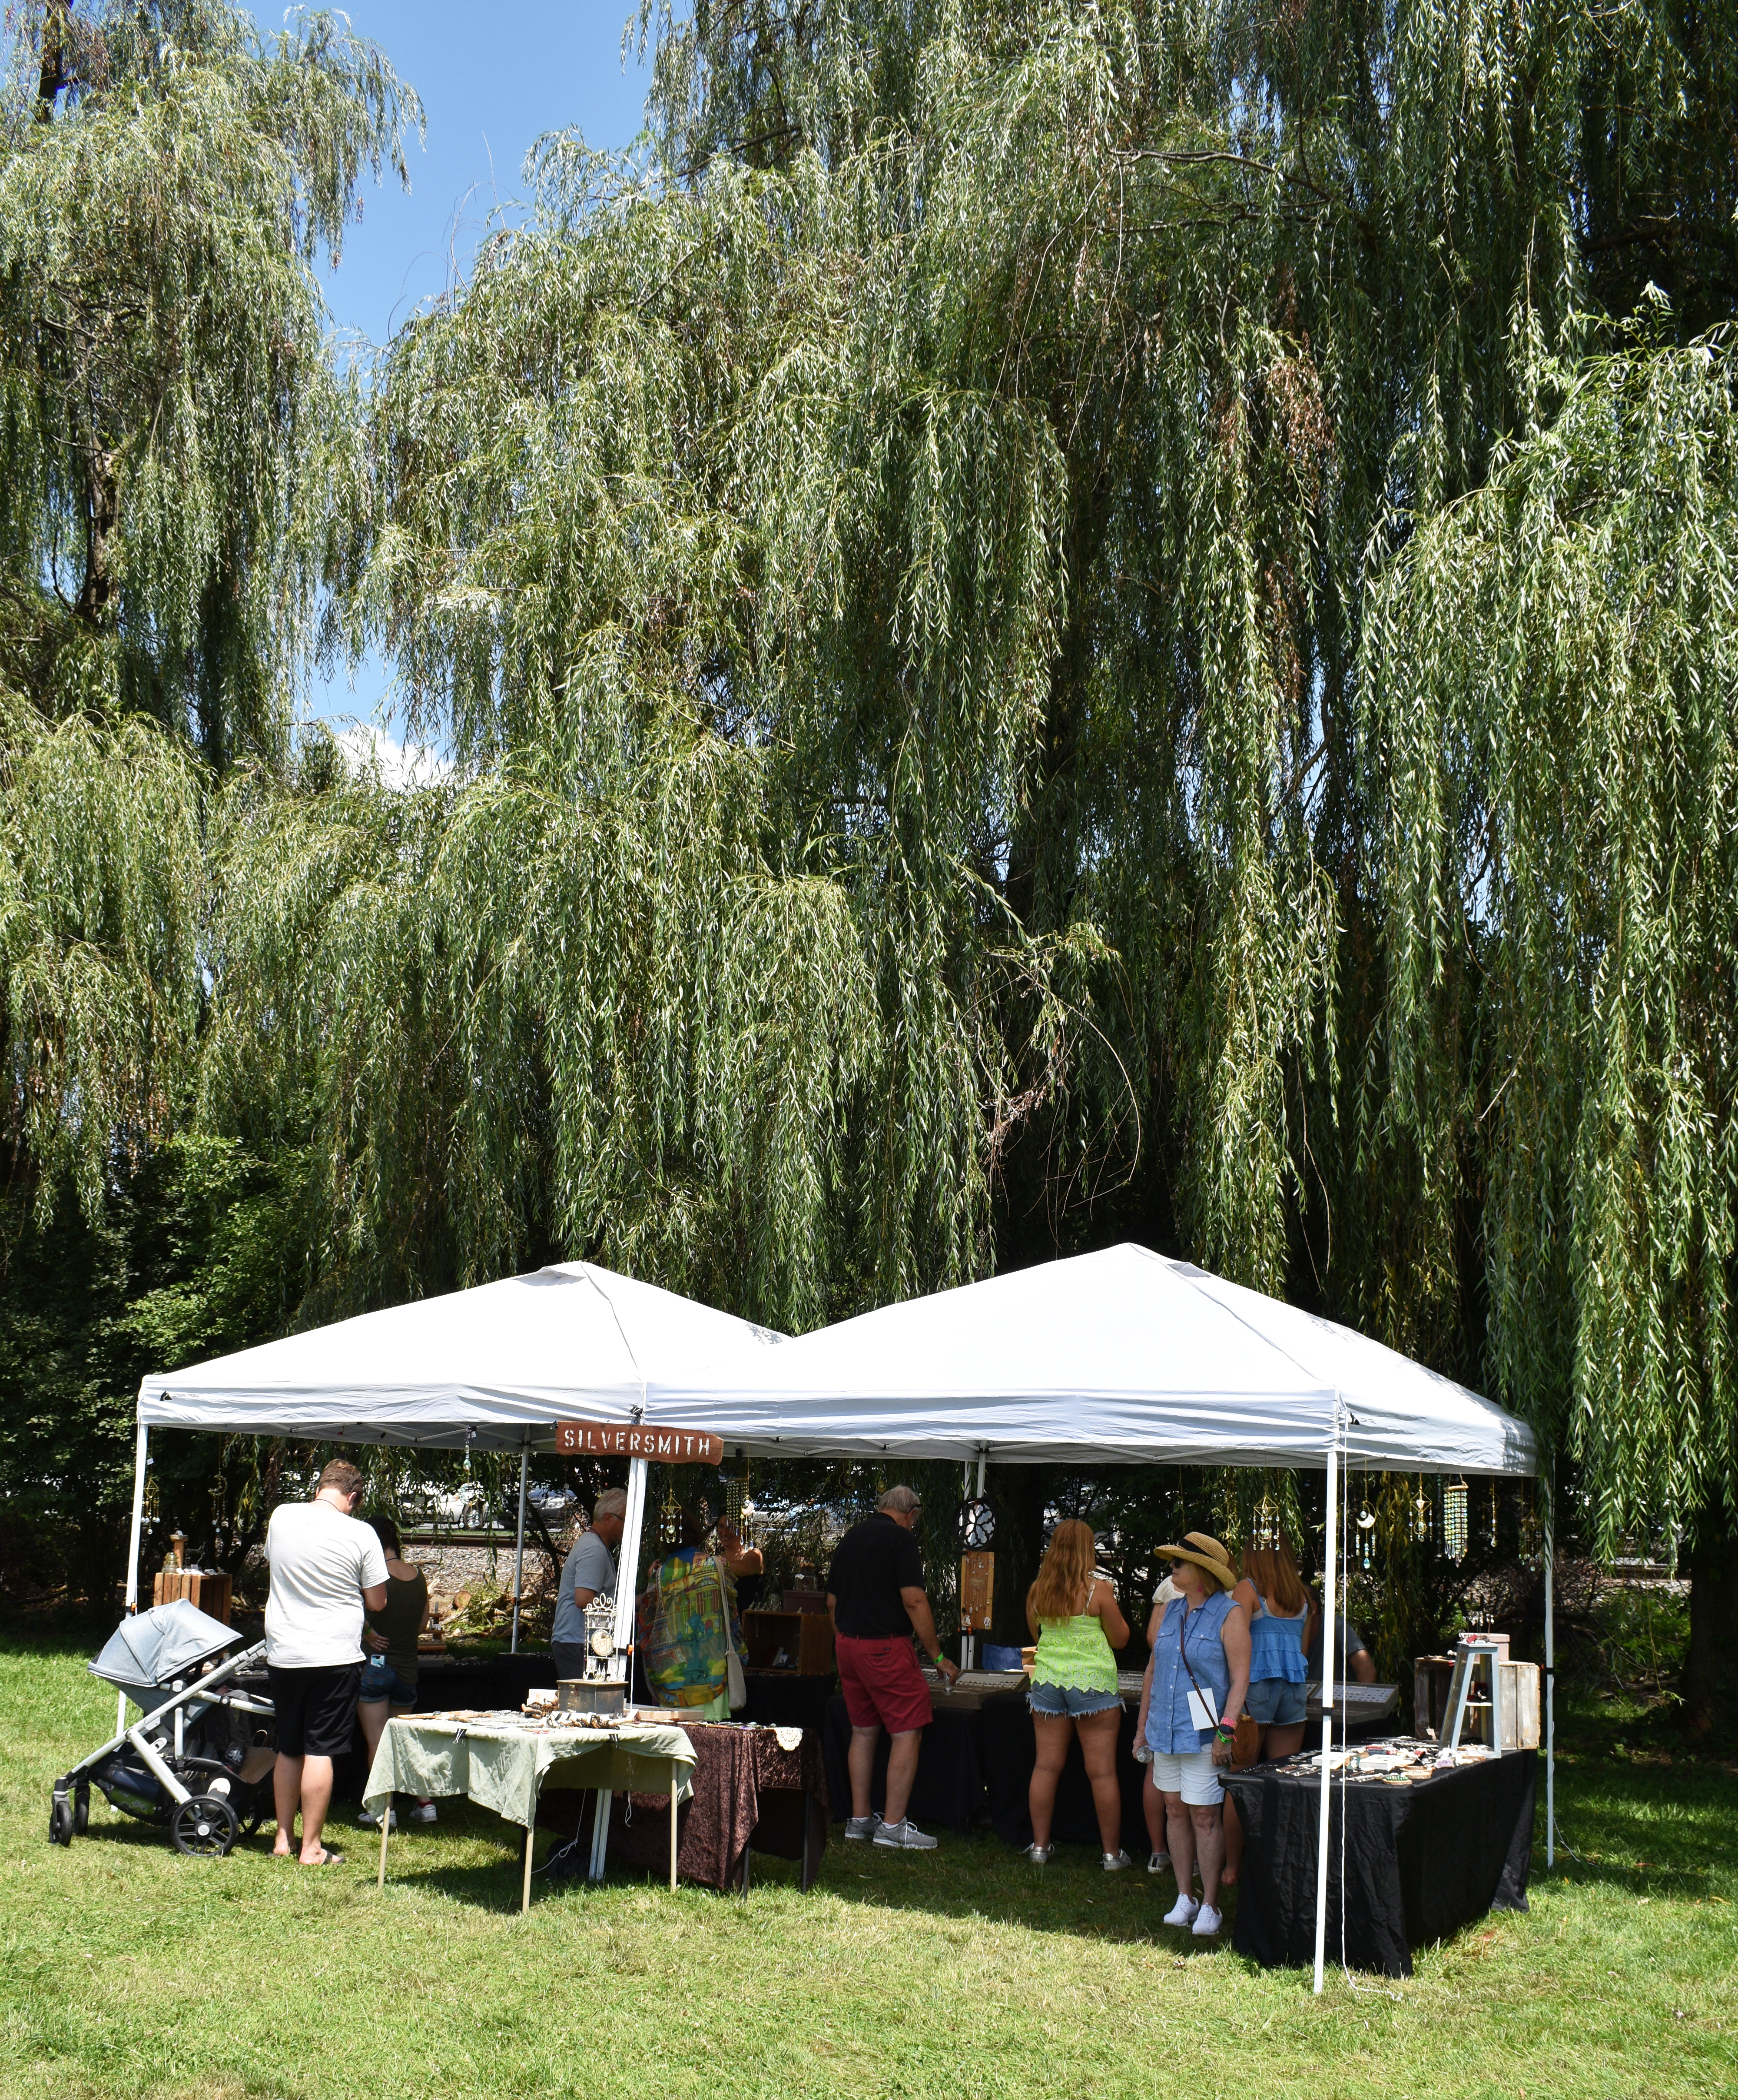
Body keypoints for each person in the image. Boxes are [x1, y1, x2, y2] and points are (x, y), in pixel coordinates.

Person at [263, 1458, 388, 1866]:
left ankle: (283, 1838)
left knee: (289, 1747)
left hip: (284, 1650)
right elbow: (378, 1601)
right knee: (321, 1749)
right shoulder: (361, 1533)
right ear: (352, 1496)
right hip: (334, 1654)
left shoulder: (281, 1517)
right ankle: (311, 1847)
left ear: (321, 1487)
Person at [826, 1484, 960, 1850]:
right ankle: (893, 1827)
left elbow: (831, 1603)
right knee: (907, 1731)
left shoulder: (850, 1537)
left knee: (864, 1731)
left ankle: (859, 1821)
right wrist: (937, 1657)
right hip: (885, 1647)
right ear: (910, 1515)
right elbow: (914, 1601)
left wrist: (844, 1641)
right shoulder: (902, 1541)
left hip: (848, 1646)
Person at [1139, 1531, 1250, 1937]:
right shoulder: (1170, 1611)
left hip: (1206, 1733)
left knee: (1205, 1815)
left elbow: (1240, 1680)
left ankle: (1210, 1906)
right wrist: (1141, 1730)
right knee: (1174, 1810)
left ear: (1202, 1571)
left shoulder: (1230, 1614)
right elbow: (1154, 1669)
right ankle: (1184, 1898)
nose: (1172, 1567)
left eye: (1179, 1563)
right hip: (1165, 1730)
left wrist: (1227, 1731)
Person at [1022, 1520, 1131, 1868]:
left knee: (1045, 1767)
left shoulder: (1038, 1591)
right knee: (1101, 1773)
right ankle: (1112, 1855)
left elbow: (1038, 1638)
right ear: (1087, 1549)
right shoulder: (1098, 1591)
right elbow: (1121, 1640)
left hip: (1049, 1683)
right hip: (1093, 1686)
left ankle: (1040, 1848)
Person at [1221, 1533, 1310, 1884]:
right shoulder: (1301, 1596)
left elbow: (1232, 1640)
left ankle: (1232, 1867)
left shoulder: (1248, 1588)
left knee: (1241, 1779)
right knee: (1282, 1779)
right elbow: (1301, 1650)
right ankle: (1276, 1865)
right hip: (1293, 1691)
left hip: (1255, 1690)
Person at [638, 1504, 764, 1717]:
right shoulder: (717, 1566)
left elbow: (646, 1631)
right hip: (714, 1684)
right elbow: (732, 1621)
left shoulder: (659, 1577)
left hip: (670, 1688)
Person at [355, 1515, 437, 1831]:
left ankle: (382, 1809)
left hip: (376, 1667)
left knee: (377, 1743)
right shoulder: (418, 1576)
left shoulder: (374, 1576)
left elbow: (353, 1612)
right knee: (403, 1739)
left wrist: (368, 1632)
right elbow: (421, 1626)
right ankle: (426, 1804)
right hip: (407, 1669)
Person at [550, 1488, 628, 1683]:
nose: (628, 1527)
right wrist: (622, 1608)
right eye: (625, 1520)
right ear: (608, 1518)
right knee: (586, 1706)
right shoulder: (595, 1549)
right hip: (577, 1642)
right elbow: (584, 1599)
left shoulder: (596, 1545)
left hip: (577, 1641)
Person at [1133, 1571, 1180, 1873]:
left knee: (1157, 1768)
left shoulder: (1168, 1585)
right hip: (1182, 1685)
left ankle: (1159, 1851)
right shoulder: (1227, 1593)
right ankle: (1190, 1857)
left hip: (1165, 1678)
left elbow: (1152, 1637)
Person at [1304, 1602, 1378, 1685]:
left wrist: (1357, 1696)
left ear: (1313, 1607)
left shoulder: (1335, 1626)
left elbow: (1367, 1671)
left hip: (1339, 1696)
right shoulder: (1289, 1630)